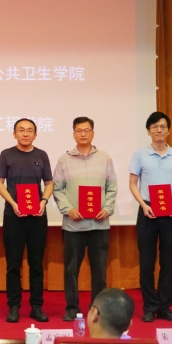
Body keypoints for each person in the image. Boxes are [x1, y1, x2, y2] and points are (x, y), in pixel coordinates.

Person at [52, 117, 117, 321]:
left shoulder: (105, 158)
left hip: (99, 224)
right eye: (79, 130)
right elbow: (57, 189)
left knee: (99, 271)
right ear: (73, 134)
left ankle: (97, 308)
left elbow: (112, 187)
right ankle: (72, 308)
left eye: (87, 130)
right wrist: (68, 209)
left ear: (93, 133)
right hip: (73, 225)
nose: (83, 134)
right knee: (71, 270)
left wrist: (107, 208)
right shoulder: (64, 160)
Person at [129, 111, 172, 323]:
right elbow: (132, 184)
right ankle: (149, 306)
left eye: (163, 126)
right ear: (148, 131)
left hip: (170, 212)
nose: (159, 130)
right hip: (148, 210)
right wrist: (143, 205)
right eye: (154, 127)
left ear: (168, 130)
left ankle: (164, 306)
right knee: (146, 262)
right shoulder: (140, 154)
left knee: (168, 262)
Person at [0, 118, 53, 323]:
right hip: (14, 216)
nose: (25, 134)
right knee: (13, 264)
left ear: (35, 135)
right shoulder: (6, 154)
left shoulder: (41, 155)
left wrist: (43, 201)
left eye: (29, 131)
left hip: (37, 217)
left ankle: (36, 306)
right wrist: (12, 203)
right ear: (14, 134)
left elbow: (49, 183)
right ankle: (14, 306)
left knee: (36, 264)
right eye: (21, 130)